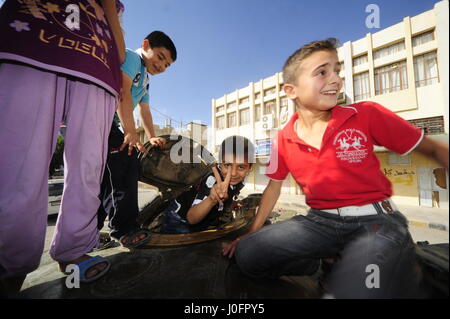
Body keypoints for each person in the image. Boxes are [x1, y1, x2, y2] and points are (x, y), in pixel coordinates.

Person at [222, 38, 449, 298]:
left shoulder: (365, 113)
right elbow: (273, 186)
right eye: (322, 72)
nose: (336, 79)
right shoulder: (282, 139)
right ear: (291, 90)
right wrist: (252, 233)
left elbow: (430, 147)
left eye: (337, 71)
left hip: (375, 222)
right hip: (320, 222)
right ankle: (318, 261)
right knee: (248, 255)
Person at [0, 0, 126, 295]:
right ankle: (8, 262)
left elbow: (115, 31)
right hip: (31, 36)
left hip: (95, 56)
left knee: (87, 164)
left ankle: (72, 247)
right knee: (18, 153)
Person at [96, 31, 177, 248]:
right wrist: (129, 131)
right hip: (101, 118)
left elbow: (145, 110)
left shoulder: (147, 80)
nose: (162, 66)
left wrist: (151, 137)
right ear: (145, 45)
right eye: (160, 57)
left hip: (111, 124)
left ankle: (89, 233)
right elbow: (122, 90)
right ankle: (124, 229)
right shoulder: (132, 57)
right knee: (125, 165)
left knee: (105, 180)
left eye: (167, 65)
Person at [160, 136, 253, 234]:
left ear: (249, 168)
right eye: (227, 165)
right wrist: (212, 199)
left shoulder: (241, 180)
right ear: (220, 163)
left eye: (241, 167)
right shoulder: (212, 180)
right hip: (178, 218)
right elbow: (191, 218)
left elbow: (228, 195)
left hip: (204, 219)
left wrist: (231, 204)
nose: (233, 173)